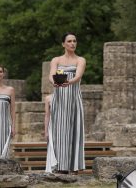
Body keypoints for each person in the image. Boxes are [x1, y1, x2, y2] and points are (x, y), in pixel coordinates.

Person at [45, 32, 86, 174]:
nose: (72, 43)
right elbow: (51, 74)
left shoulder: (80, 60)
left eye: (74, 41)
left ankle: (73, 167)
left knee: (74, 131)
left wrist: (68, 82)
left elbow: (78, 75)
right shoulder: (56, 60)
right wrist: (54, 82)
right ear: (63, 44)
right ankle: (60, 166)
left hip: (74, 99)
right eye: (69, 41)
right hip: (60, 99)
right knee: (59, 132)